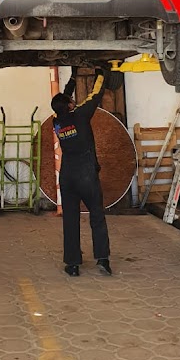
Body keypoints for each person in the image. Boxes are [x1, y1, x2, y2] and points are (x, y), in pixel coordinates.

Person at [51, 65, 112, 277]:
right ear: (70, 105)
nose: (74, 101)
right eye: (71, 101)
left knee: (70, 219)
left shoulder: (57, 121)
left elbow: (62, 102)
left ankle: (73, 264)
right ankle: (102, 260)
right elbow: (96, 95)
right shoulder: (81, 115)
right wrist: (102, 72)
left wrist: (71, 79)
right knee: (97, 215)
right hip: (86, 174)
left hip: (67, 175)